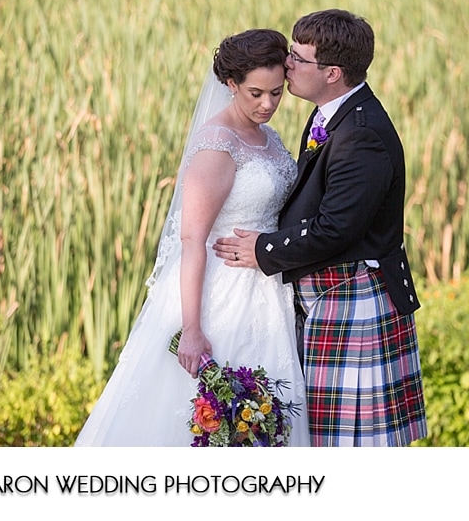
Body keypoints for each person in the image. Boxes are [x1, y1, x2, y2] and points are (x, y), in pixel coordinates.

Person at [75, 29, 309, 446]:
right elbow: (192, 240)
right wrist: (192, 328)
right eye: (256, 93)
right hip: (221, 296)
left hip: (266, 290)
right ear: (231, 84)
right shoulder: (218, 144)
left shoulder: (268, 137)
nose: (268, 104)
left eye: (276, 93)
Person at [214, 9, 427, 446]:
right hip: (331, 296)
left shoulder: (361, 133)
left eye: (298, 57)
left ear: (331, 73)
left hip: (353, 298)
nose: (287, 62)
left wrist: (265, 251)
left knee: (351, 445)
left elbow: (335, 228)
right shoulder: (334, 113)